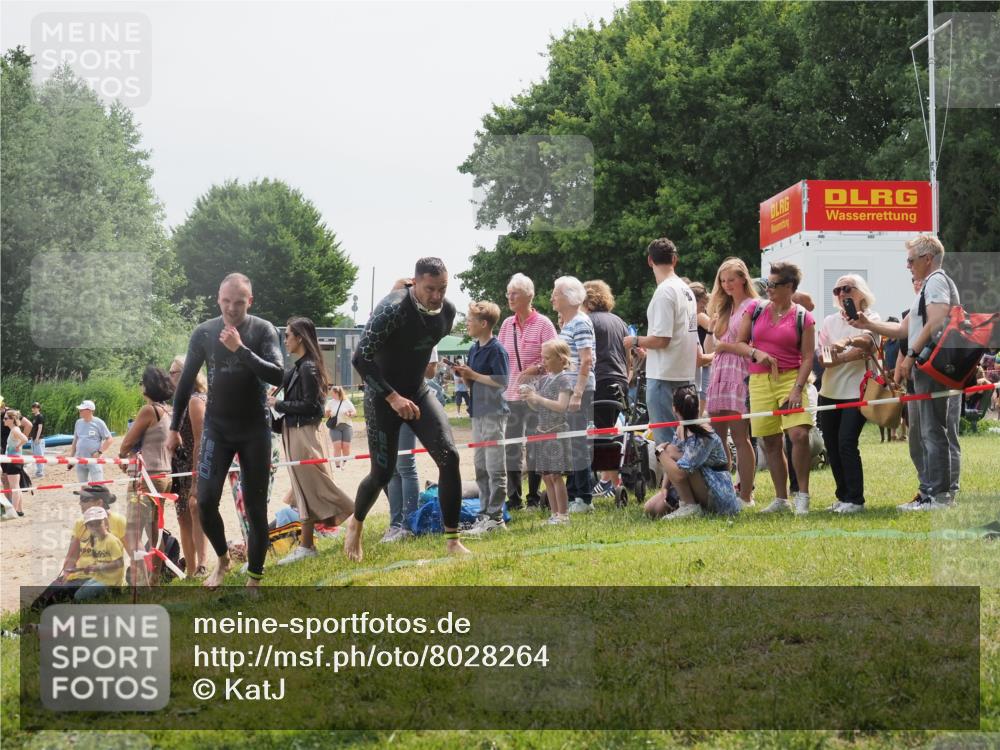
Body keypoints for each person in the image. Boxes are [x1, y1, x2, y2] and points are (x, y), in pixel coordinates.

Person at [347, 257, 468, 562]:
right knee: (382, 473)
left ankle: (452, 540)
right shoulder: (392, 308)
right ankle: (356, 525)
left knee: (449, 457)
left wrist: (409, 391)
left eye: (442, 288)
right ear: (415, 283)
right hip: (382, 396)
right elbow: (361, 359)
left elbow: (419, 349)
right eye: (430, 289)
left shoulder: (448, 313)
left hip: (418, 391)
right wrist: (392, 397)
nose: (437, 296)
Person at [169, 272, 285, 589]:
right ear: (218, 299)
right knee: (203, 502)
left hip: (254, 429)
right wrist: (173, 428)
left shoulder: (263, 330)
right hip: (217, 429)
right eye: (225, 302)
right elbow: (184, 384)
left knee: (255, 508)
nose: (231, 308)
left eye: (238, 302)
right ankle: (222, 560)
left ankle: (255, 579)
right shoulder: (204, 332)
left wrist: (240, 349)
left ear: (250, 300)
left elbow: (278, 375)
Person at [854, 234, 961, 510]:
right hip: (925, 367)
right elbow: (903, 329)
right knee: (923, 433)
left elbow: (937, 321)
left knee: (933, 432)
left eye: (911, 260)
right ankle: (929, 493)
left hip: (931, 366)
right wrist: (868, 324)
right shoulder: (927, 286)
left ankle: (939, 497)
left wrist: (910, 357)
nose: (907, 265)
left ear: (927, 259)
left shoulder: (936, 280)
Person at [270, 317, 355, 565]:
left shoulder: (309, 368)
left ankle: (356, 519)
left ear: (299, 337)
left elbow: (314, 407)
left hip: (304, 433)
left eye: (288, 335)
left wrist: (279, 404)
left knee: (318, 487)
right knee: (303, 492)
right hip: (295, 432)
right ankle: (307, 546)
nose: (285, 340)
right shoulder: (299, 367)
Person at [733, 261, 816, 515]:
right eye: (767, 284)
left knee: (799, 435)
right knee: (770, 441)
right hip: (759, 381)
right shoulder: (756, 310)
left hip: (791, 378)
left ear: (789, 286)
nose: (768, 288)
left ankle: (802, 494)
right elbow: (740, 343)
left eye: (774, 284)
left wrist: (796, 389)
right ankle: (781, 500)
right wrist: (757, 353)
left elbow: (808, 357)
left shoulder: (803, 317)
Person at [623, 237, 698, 507]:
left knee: (666, 445)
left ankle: (682, 501)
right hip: (684, 373)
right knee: (687, 442)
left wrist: (635, 341)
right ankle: (681, 496)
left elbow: (662, 339)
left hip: (665, 377)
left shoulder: (665, 292)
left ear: (650, 261)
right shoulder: (686, 290)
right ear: (675, 259)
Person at [816, 275, 880, 514]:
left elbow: (869, 344)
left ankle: (855, 499)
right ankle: (843, 496)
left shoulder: (870, 318)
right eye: (837, 290)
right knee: (832, 446)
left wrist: (846, 343)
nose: (841, 294)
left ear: (860, 292)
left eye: (847, 288)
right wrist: (843, 354)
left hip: (857, 393)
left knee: (846, 443)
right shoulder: (829, 321)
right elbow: (823, 359)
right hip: (829, 392)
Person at [498, 273, 557, 510]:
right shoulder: (506, 324)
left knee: (534, 445)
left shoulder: (544, 324)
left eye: (515, 294)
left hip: (536, 397)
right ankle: (514, 498)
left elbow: (557, 356)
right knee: (511, 447)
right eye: (508, 293)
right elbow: (500, 357)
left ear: (528, 296)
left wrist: (539, 367)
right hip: (511, 396)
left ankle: (533, 497)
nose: (510, 297)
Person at [704, 257, 759, 507]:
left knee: (740, 436)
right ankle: (724, 492)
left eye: (731, 280)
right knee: (718, 436)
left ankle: (746, 494)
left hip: (740, 372)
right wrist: (712, 329)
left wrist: (724, 344)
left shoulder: (752, 305)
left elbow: (747, 344)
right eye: (723, 281)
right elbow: (710, 349)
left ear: (743, 279)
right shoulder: (724, 310)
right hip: (719, 372)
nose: (726, 285)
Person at [454, 301, 509, 535]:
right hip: (477, 413)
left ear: (483, 323)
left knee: (495, 468)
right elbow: (473, 382)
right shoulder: (474, 348)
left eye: (470, 320)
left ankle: (496, 518)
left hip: (494, 414)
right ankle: (485, 514)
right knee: (480, 468)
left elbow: (501, 381)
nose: (467, 323)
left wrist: (474, 374)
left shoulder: (497, 349)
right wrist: (465, 375)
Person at [648, 385, 741, 520]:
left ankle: (690, 506)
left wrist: (660, 453)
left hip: (719, 495)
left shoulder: (704, 435)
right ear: (698, 408)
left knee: (672, 453)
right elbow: (672, 460)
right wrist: (664, 489)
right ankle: (685, 503)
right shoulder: (681, 429)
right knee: (651, 509)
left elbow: (680, 474)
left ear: (674, 409)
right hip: (699, 485)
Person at [118, 365, 174, 585]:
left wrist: (124, 457)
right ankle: (154, 579)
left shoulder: (149, 410)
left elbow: (127, 442)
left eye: (142, 382)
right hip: (164, 475)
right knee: (154, 531)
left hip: (146, 476)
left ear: (148, 385)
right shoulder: (168, 410)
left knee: (133, 531)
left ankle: (138, 579)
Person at [31, 486, 128, 610]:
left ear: (99, 503)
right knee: (39, 605)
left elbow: (134, 552)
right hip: (79, 575)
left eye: (85, 499)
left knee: (75, 601)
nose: (80, 503)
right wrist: (65, 574)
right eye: (80, 499)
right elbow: (72, 556)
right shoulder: (80, 523)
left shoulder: (119, 521)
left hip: (102, 578)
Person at [549, 276, 596, 513]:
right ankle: (577, 492)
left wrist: (577, 394)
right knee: (572, 443)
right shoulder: (568, 324)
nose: (552, 298)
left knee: (578, 444)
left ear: (568, 298)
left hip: (580, 389)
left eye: (555, 294)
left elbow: (586, 360)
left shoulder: (579, 322)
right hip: (569, 388)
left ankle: (585, 498)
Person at [582, 280, 631, 498]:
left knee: (600, 433)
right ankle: (611, 480)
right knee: (609, 429)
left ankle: (610, 482)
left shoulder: (587, 321)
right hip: (619, 381)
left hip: (598, 380)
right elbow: (627, 355)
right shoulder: (619, 322)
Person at [521, 340, 575, 525]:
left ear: (561, 360)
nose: (543, 361)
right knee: (546, 475)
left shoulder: (564, 379)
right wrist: (529, 398)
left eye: (547, 358)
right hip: (542, 431)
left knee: (556, 475)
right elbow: (536, 406)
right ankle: (554, 514)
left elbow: (561, 406)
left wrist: (537, 397)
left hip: (557, 432)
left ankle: (563, 514)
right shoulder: (545, 379)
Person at [168, 355, 209, 577]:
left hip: (195, 465)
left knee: (196, 511)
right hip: (181, 466)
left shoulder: (195, 400)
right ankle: (192, 570)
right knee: (183, 515)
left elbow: (200, 441)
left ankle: (202, 566)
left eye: (173, 372)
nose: (169, 376)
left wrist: (196, 479)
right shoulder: (181, 401)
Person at [68, 400, 113, 485]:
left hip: (94, 460)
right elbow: (75, 441)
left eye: (82, 409)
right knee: (83, 487)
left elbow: (109, 439)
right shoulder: (78, 422)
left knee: (98, 486)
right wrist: (71, 459)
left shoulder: (98, 422)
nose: (79, 411)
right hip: (80, 460)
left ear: (89, 410)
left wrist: (99, 452)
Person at [688, 282, 715, 415]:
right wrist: (719, 354)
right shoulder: (696, 317)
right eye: (702, 304)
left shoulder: (693, 317)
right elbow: (698, 360)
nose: (703, 308)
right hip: (699, 367)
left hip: (698, 368)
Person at [2, 410, 28, 517]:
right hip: (14, 461)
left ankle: (13, 511)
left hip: (15, 461)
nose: (4, 420)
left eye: (6, 418)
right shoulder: (14, 429)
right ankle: (19, 510)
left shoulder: (14, 430)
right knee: (16, 486)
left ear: (12, 419)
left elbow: (25, 439)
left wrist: (18, 446)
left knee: (14, 487)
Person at [325, 385, 357, 470]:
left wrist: (349, 414)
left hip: (347, 426)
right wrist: (327, 412)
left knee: (346, 446)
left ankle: (344, 463)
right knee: (337, 446)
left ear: (337, 393)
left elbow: (354, 413)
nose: (331, 394)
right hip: (335, 427)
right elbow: (326, 415)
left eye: (333, 393)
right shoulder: (330, 402)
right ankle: (337, 465)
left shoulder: (346, 401)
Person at [29, 402, 45, 479]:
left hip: (38, 438)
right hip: (33, 438)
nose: (33, 409)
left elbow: (40, 428)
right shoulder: (34, 417)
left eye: (35, 407)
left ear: (38, 408)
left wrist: (37, 438)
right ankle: (38, 471)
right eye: (33, 407)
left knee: (39, 455)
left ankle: (40, 473)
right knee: (35, 455)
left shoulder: (40, 416)